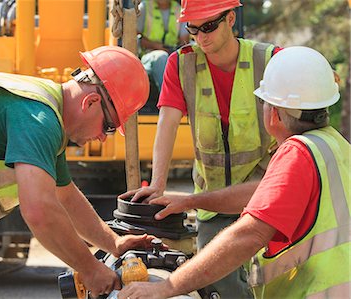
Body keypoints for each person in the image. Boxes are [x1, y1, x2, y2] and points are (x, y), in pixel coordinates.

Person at [0, 46, 154, 299]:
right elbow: (39, 211)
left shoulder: (45, 113)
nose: (102, 137)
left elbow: (65, 197)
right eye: (108, 126)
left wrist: (113, 243)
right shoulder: (37, 119)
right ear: (91, 102)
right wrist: (90, 269)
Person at [118, 46, 350, 299]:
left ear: (274, 114)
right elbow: (261, 194)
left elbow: (248, 235)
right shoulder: (335, 146)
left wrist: (166, 287)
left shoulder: (298, 153)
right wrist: (191, 201)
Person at [121, 0, 282, 297]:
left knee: (274, 280)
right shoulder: (181, 64)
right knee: (218, 283)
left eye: (208, 26)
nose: (201, 37)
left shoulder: (271, 60)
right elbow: (166, 124)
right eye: (193, 29)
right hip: (212, 203)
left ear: (231, 18)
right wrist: (157, 184)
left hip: (263, 195)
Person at [137, 0, 190, 91]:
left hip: (173, 53)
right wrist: (156, 46)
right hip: (149, 54)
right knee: (162, 57)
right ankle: (168, 98)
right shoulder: (144, 7)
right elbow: (136, 38)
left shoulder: (179, 9)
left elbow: (184, 41)